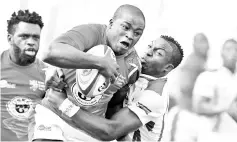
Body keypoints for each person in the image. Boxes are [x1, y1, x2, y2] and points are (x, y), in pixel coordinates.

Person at [31, 4, 145, 141]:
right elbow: (50, 52)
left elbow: (114, 104)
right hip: (55, 115)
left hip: (88, 130)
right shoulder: (92, 33)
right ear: (111, 24)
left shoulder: (133, 66)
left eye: (137, 33)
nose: (130, 35)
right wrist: (100, 62)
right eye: (125, 27)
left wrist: (121, 137)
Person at [42, 35, 184, 141]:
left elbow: (111, 130)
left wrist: (63, 103)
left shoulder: (155, 96)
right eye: (150, 46)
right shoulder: (132, 70)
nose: (148, 52)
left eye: (158, 53)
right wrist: (57, 73)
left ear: (167, 68)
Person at [0, 10, 46, 141]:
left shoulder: (47, 73)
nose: (31, 42)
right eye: (24, 36)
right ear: (10, 38)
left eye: (36, 37)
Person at [166, 33, 209, 142]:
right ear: (194, 44)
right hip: (186, 114)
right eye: (201, 42)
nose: (204, 46)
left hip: (193, 115)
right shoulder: (193, 62)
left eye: (205, 42)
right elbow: (185, 86)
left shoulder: (202, 62)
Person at [192, 39, 237, 139]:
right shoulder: (210, 76)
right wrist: (225, 108)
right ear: (222, 52)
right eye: (229, 49)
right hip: (213, 136)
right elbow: (198, 106)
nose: (233, 53)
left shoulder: (234, 79)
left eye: (236, 50)